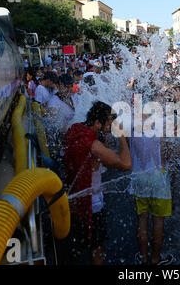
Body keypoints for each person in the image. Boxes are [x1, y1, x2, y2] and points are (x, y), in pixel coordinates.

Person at [61, 101, 132, 265]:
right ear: (97, 123)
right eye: (108, 124)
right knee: (97, 249)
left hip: (74, 200)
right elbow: (126, 164)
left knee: (76, 246)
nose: (110, 128)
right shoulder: (93, 145)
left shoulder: (76, 129)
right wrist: (121, 135)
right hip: (91, 205)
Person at [129, 111, 175, 265]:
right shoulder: (161, 129)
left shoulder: (132, 129)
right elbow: (169, 154)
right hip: (158, 178)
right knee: (158, 221)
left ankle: (143, 258)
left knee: (142, 218)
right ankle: (155, 258)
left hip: (139, 177)